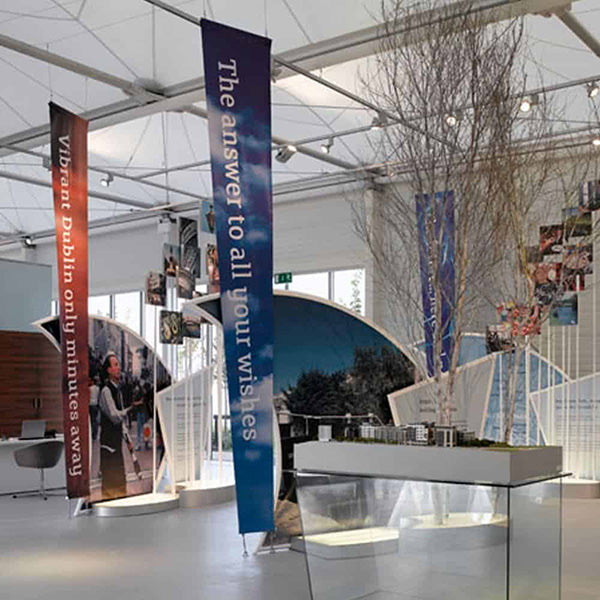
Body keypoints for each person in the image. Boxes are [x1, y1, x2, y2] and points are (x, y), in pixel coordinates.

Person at [98, 352, 135, 499]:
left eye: (118, 365)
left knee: (120, 482)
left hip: (116, 445)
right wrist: (129, 410)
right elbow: (115, 416)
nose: (119, 368)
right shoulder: (106, 391)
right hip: (108, 446)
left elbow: (121, 421)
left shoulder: (117, 390)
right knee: (110, 484)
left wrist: (128, 440)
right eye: (115, 365)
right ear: (108, 370)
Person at [88, 376, 100, 441]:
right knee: (95, 420)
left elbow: (88, 397)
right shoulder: (98, 388)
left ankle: (92, 433)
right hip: (96, 404)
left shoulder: (89, 388)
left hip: (91, 405)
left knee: (92, 420)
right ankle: (95, 433)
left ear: (92, 381)